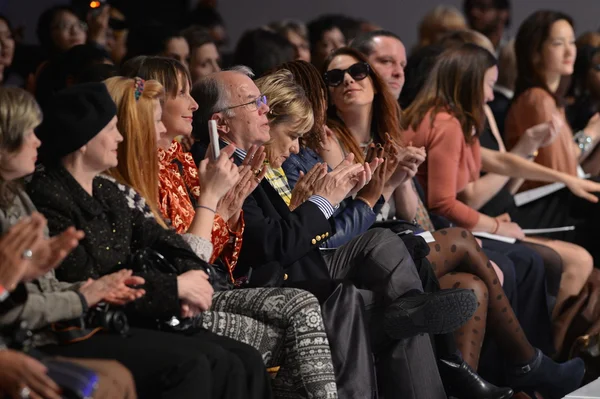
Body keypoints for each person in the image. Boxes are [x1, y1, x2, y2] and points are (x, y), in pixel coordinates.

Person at [190, 65, 480, 399]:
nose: (264, 109)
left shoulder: (249, 160)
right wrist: (326, 200)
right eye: (252, 102)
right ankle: (415, 315)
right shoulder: (215, 165)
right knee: (397, 309)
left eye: (263, 100)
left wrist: (339, 197)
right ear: (221, 123)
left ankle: (410, 305)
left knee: (385, 246)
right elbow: (269, 243)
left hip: (304, 266)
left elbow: (280, 233)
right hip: (275, 281)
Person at [120, 56, 370, 399]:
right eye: (256, 103)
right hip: (194, 294)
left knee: (383, 252)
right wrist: (217, 204)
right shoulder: (185, 164)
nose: (193, 103)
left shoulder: (188, 162)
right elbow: (205, 256)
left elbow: (217, 245)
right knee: (315, 302)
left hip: (220, 282)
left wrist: (227, 210)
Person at [0, 85, 266, 399]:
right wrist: (174, 287)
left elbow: (170, 242)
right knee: (199, 363)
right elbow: (78, 281)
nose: (121, 137)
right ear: (85, 139)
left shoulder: (108, 189)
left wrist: (192, 275)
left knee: (243, 359)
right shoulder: (46, 194)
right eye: (114, 129)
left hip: (137, 308)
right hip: (91, 322)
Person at [402, 43, 589, 397]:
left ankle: (528, 368)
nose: (491, 95)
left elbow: (500, 161)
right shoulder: (445, 122)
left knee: (531, 262)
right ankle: (521, 371)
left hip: (446, 224)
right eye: (487, 85)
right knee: (525, 263)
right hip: (439, 227)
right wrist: (496, 226)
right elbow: (443, 201)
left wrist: (567, 179)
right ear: (469, 82)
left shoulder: (450, 118)